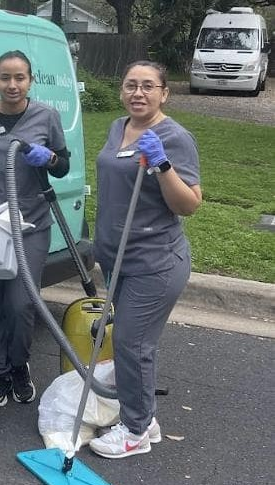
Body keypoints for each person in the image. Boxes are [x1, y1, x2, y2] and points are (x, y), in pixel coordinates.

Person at [88, 60, 202, 459]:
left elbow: (189, 204)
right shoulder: (118, 126)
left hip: (155, 261)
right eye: (131, 85)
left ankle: (135, 430)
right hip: (116, 258)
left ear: (164, 93)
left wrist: (162, 164)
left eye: (148, 86)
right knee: (134, 344)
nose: (138, 92)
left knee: (131, 343)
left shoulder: (175, 137)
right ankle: (144, 419)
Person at [0, 50, 70, 407]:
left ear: (30, 81)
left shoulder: (46, 117)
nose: (12, 85)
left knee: (21, 304)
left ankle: (19, 365)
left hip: (30, 223)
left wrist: (48, 158)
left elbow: (63, 166)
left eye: (19, 78)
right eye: (5, 77)